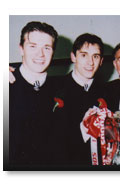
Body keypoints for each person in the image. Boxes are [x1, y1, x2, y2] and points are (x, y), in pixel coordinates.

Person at [9, 21, 58, 168]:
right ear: (21, 49)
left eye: (47, 48)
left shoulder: (60, 88)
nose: (40, 54)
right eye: (33, 46)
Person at [53, 33, 104, 165]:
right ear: (73, 57)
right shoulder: (54, 89)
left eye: (96, 56)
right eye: (84, 55)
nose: (90, 62)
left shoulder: (107, 91)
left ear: (101, 61)